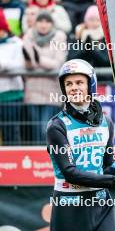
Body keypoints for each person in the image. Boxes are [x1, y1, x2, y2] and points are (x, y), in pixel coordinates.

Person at [47, 59, 115, 231]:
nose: (74, 87)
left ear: (91, 85)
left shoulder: (106, 122)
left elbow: (107, 166)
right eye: (68, 84)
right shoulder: (57, 125)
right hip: (69, 207)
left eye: (79, 82)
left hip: (101, 203)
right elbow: (70, 173)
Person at [23, 10, 67, 144]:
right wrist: (38, 62)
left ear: (52, 23)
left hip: (52, 92)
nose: (43, 24)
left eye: (47, 21)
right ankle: (38, 162)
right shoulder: (28, 36)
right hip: (32, 91)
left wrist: (37, 59)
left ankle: (49, 159)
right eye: (40, 21)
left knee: (46, 129)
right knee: (36, 130)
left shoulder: (59, 37)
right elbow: (27, 64)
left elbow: (57, 64)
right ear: (35, 23)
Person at [0, 8, 24, 145]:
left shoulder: (16, 43)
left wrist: (2, 65)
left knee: (11, 132)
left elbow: (20, 65)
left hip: (12, 94)